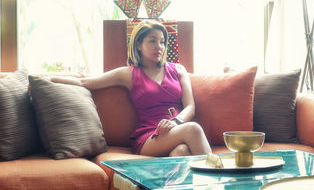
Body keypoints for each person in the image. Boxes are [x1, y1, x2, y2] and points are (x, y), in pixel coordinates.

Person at [51, 20, 212, 157]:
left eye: (162, 41)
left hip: (177, 128)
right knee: (194, 129)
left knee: (181, 151)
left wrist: (176, 122)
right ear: (139, 44)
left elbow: (190, 107)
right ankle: (220, 180)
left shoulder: (178, 70)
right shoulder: (128, 74)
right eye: (152, 41)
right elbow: (84, 83)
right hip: (150, 136)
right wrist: (46, 80)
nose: (159, 46)